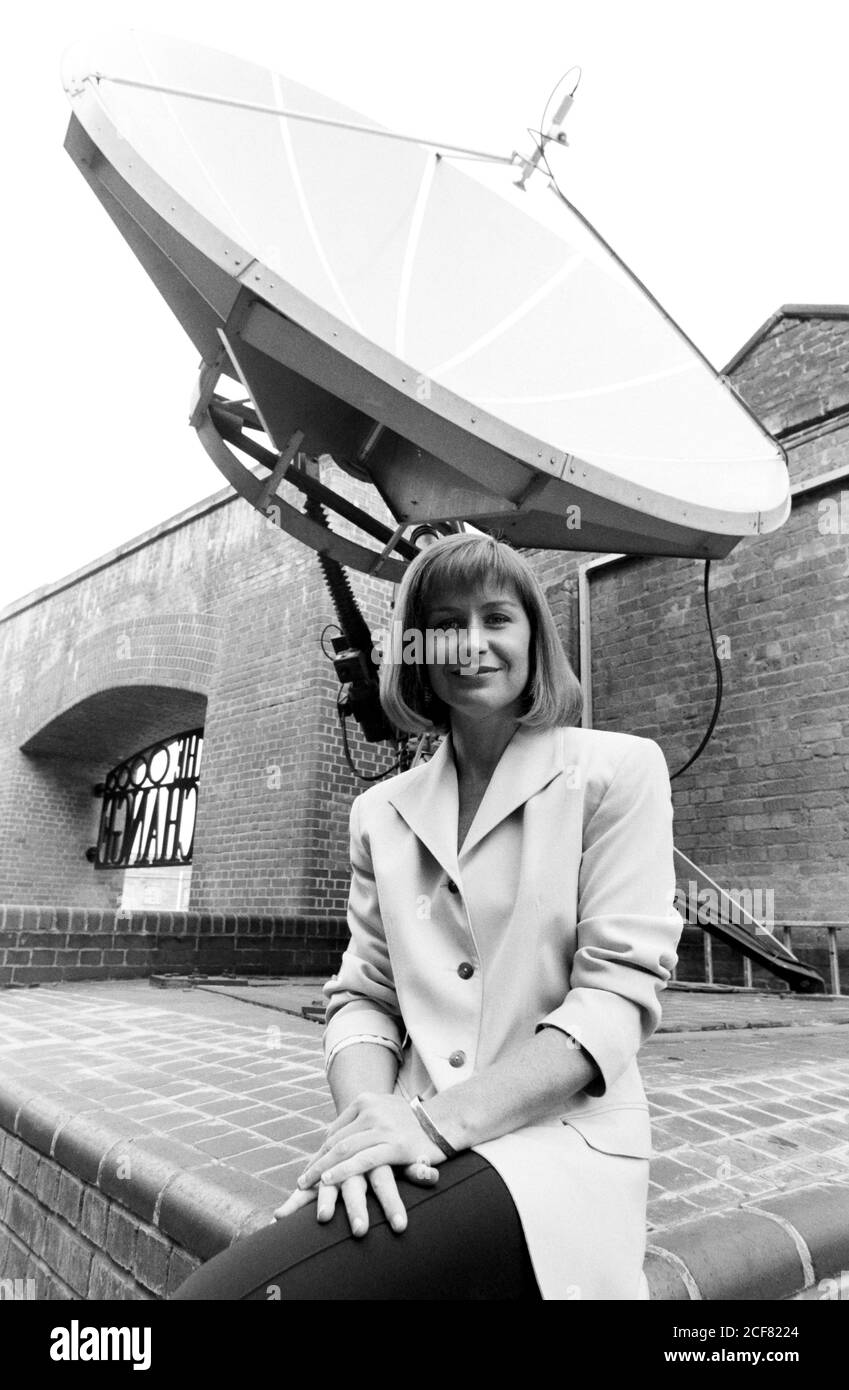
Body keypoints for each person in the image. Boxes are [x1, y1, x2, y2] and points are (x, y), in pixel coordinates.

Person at [172, 532, 684, 1300]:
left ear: (533, 638)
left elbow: (615, 998)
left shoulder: (617, 772)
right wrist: (372, 1118)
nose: (471, 643)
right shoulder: (380, 812)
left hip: (556, 1146)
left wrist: (435, 1125)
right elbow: (364, 996)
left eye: (497, 618)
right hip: (410, 1142)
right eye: (445, 623)